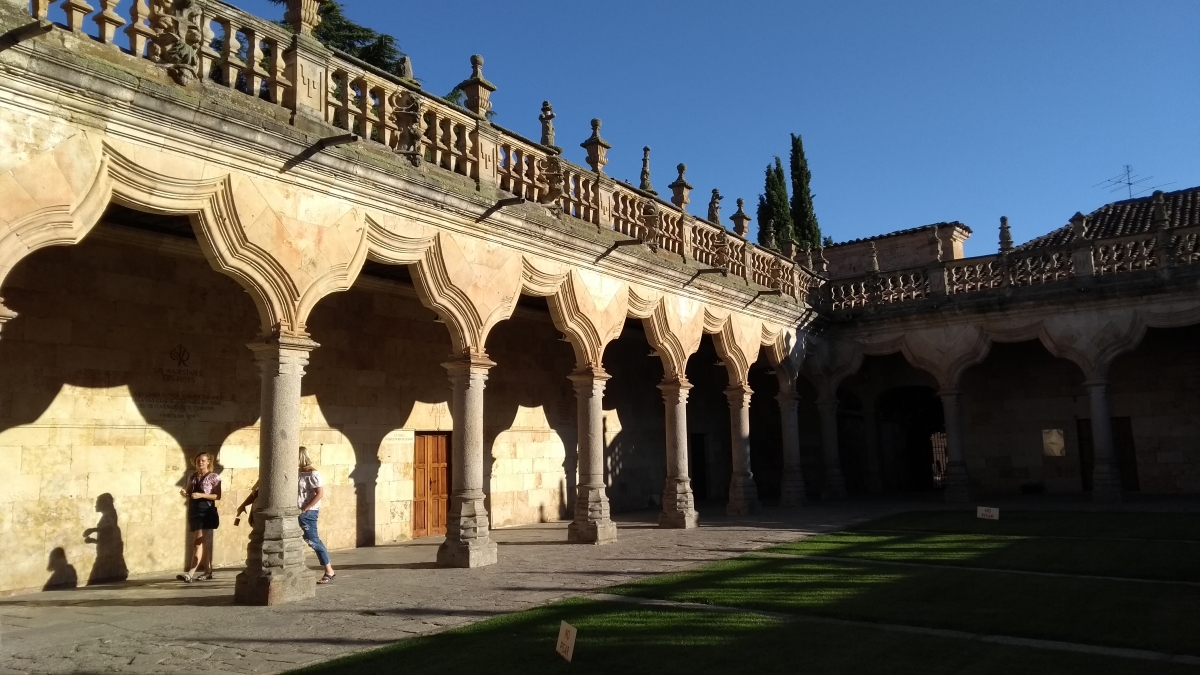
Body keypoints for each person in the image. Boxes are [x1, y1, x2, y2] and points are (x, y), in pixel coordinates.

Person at [178, 452, 221, 583]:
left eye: (203, 460)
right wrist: (185, 492)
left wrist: (201, 495)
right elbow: (189, 490)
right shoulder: (193, 476)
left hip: (206, 511)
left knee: (197, 543)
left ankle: (190, 573)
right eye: (198, 461)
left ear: (209, 462)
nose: (200, 463)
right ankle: (208, 571)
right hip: (194, 511)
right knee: (201, 543)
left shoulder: (214, 477)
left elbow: (217, 496)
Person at [298, 447, 335, 585]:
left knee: (313, 540)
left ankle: (329, 570)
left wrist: (305, 508)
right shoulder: (296, 472)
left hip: (308, 512)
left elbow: (319, 493)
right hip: (296, 511)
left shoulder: (312, 473)